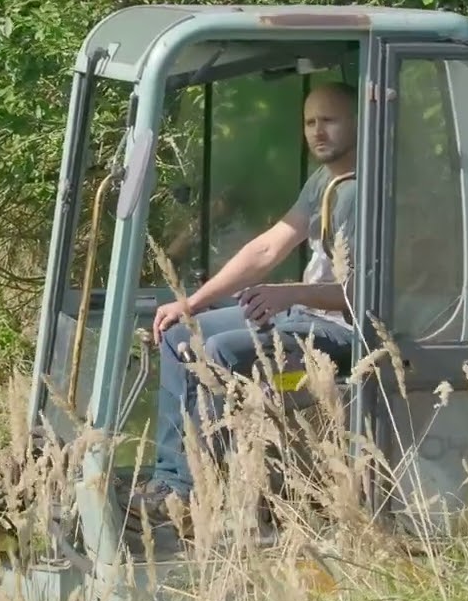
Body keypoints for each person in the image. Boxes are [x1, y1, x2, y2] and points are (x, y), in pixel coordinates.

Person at [131, 82, 360, 525]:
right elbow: (267, 249)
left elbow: (367, 298)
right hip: (304, 313)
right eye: (310, 122)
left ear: (358, 122)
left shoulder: (367, 190)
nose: (317, 132)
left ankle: (211, 498)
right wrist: (192, 302)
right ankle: (172, 483)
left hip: (345, 331)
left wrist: (288, 293)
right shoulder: (324, 182)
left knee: (220, 352)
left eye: (329, 121)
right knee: (181, 332)